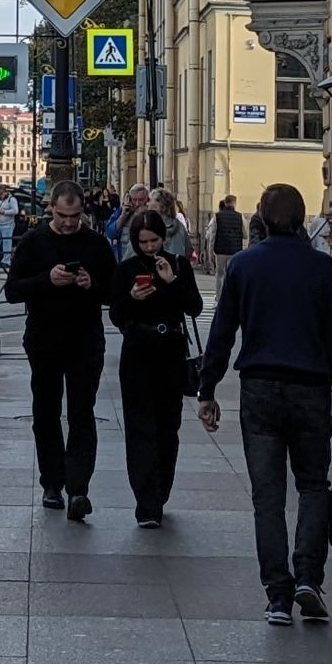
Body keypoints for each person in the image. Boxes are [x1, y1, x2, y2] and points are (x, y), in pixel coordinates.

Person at [196, 182, 332, 626]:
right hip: (310, 390)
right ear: (301, 217)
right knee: (312, 486)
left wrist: (207, 388)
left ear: (260, 215)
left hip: (259, 389)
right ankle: (308, 577)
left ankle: (277, 595)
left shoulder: (244, 265)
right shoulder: (322, 267)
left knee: (267, 497)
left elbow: (222, 332)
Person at [5, 178, 118, 521]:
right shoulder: (33, 241)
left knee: (82, 412)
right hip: (44, 338)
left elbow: (114, 292)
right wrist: (47, 280)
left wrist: (91, 284)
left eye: (75, 216)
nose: (69, 223)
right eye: (62, 215)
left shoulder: (96, 243)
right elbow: (12, 291)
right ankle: (52, 483)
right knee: (46, 411)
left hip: (85, 339)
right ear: (50, 209)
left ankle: (78, 488)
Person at [110, 207, 204, 526]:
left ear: (163, 239)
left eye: (154, 241)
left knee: (167, 427)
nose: (150, 247)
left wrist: (172, 282)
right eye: (144, 242)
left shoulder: (177, 265)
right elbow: (116, 314)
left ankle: (160, 490)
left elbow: (194, 306)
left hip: (170, 352)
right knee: (140, 428)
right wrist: (133, 297)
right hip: (138, 351)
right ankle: (146, 502)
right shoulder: (127, 269)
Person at [153, 187, 193, 266]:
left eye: (150, 201)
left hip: (161, 267)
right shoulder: (179, 225)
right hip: (179, 266)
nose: (147, 204)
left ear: (159, 206)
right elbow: (188, 250)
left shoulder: (152, 225)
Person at [107, 183, 150, 249]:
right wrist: (123, 216)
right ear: (129, 199)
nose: (137, 204)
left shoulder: (151, 212)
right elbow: (110, 233)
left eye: (141, 200)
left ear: (147, 199)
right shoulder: (122, 211)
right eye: (134, 200)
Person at [212, 194, 246, 268]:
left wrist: (211, 251)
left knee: (220, 272)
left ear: (225, 203)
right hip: (235, 250)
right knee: (232, 271)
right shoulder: (240, 216)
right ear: (234, 203)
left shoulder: (217, 216)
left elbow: (213, 235)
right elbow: (245, 235)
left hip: (220, 250)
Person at [0, 185, 19, 266]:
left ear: (6, 193)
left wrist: (5, 212)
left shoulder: (11, 199)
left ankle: (6, 261)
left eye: (1, 194)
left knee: (6, 243)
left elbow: (15, 211)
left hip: (7, 224)